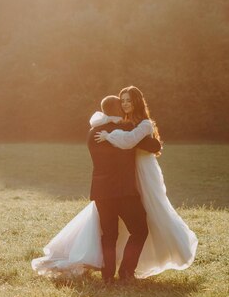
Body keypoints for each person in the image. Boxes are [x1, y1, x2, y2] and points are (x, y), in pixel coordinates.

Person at [32, 87, 197, 280]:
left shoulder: (92, 132)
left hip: (101, 191)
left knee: (108, 235)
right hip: (125, 191)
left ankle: (108, 276)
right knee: (140, 230)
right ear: (118, 109)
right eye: (122, 103)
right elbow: (152, 145)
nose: (125, 106)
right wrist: (152, 142)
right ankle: (127, 272)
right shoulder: (126, 128)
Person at [94, 86, 197, 278]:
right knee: (129, 222)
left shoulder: (145, 124)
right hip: (128, 175)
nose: (125, 104)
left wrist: (109, 135)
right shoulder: (123, 122)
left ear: (137, 102)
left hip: (144, 172)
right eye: (122, 100)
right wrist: (114, 122)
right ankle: (122, 268)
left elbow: (129, 140)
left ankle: (129, 268)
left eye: (129, 100)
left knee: (152, 212)